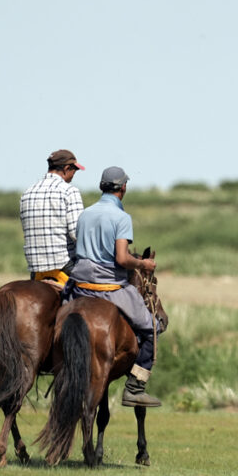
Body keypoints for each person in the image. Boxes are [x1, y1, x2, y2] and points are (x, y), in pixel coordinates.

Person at [69, 166, 165, 407]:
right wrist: (142, 263)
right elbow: (122, 259)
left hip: (79, 285)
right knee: (152, 329)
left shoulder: (86, 214)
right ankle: (135, 387)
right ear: (123, 188)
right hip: (107, 286)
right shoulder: (121, 217)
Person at [19, 149, 86, 284]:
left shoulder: (27, 193)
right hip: (64, 265)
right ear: (67, 169)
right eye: (74, 171)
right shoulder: (69, 191)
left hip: (36, 268)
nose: (74, 175)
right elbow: (76, 234)